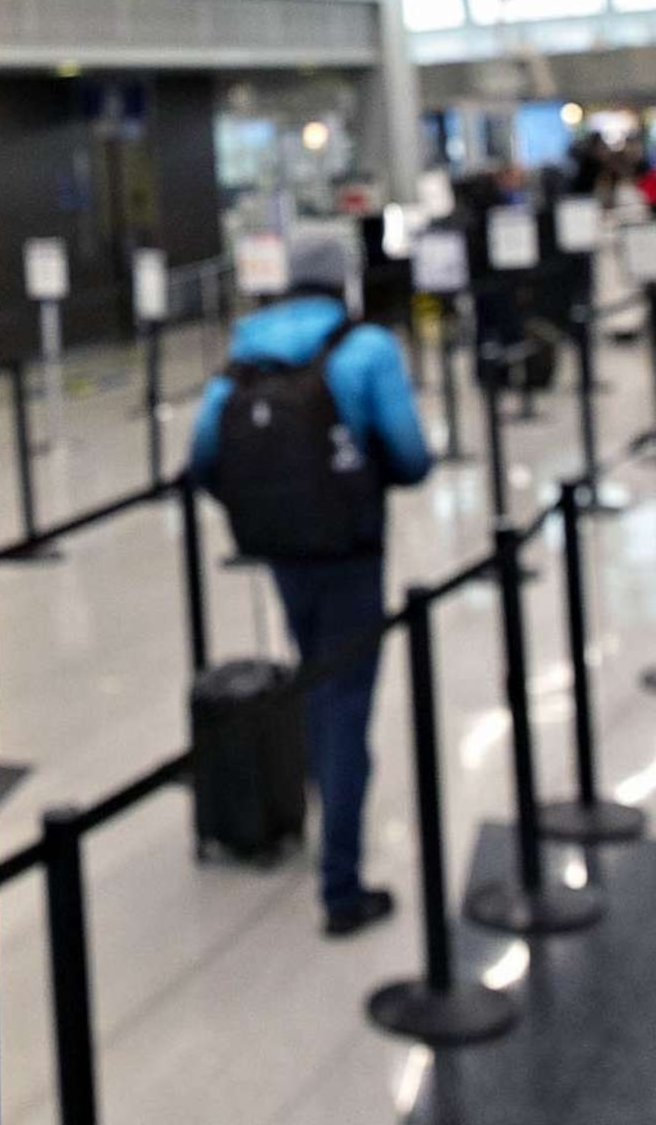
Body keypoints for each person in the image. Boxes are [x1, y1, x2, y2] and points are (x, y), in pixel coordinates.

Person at [190, 232, 431, 936]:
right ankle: (342, 888)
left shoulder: (243, 355)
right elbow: (412, 457)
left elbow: (204, 459)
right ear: (342, 283)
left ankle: (327, 809)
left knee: (317, 676)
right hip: (351, 548)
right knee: (345, 700)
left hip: (280, 549)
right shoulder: (366, 350)